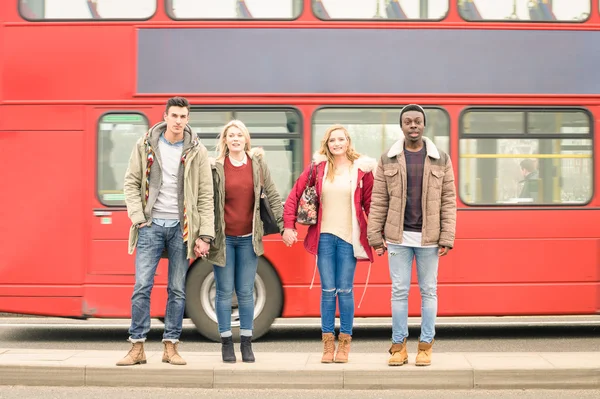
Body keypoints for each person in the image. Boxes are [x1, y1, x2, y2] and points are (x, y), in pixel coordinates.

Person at [118, 97, 215, 366]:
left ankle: (170, 346)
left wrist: (204, 234)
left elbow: (206, 194)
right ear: (165, 116)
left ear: (188, 119)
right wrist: (138, 218)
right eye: (174, 116)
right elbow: (131, 181)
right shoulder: (146, 144)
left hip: (181, 229)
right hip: (151, 226)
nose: (178, 121)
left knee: (177, 289)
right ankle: (136, 347)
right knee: (142, 286)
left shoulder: (197, 150)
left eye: (183, 117)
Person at [367, 104, 456, 367]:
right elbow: (379, 199)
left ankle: (426, 346)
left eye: (418, 121)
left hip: (429, 239)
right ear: (402, 126)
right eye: (408, 122)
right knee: (399, 292)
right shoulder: (388, 158)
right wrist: (375, 236)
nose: (413, 125)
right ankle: (399, 347)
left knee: (429, 292)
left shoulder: (441, 158)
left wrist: (447, 236)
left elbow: (448, 200)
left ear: (424, 125)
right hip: (398, 239)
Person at [283, 124, 376, 364]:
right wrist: (288, 225)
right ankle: (327, 344)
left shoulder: (362, 170)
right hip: (324, 236)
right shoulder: (318, 168)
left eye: (341, 139)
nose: (337, 143)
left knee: (344, 290)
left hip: (348, 239)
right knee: (327, 291)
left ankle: (344, 344)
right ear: (327, 143)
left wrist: (378, 234)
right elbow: (295, 194)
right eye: (332, 140)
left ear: (348, 142)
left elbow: (371, 205)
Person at [206, 120, 284, 363]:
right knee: (224, 291)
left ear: (246, 139)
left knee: (246, 292)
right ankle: (227, 343)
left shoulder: (257, 165)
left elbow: (271, 193)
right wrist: (204, 236)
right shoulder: (216, 167)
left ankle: (247, 344)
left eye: (240, 135)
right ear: (225, 140)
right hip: (224, 240)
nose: (236, 139)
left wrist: (284, 226)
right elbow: (207, 202)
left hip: (249, 239)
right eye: (231, 135)